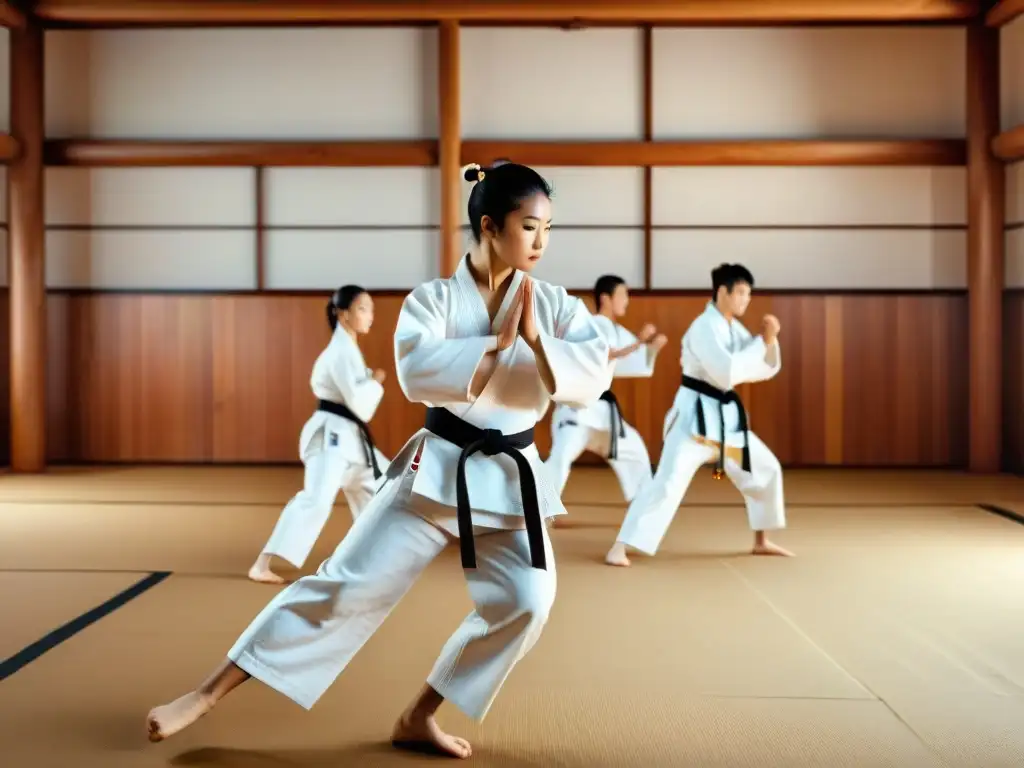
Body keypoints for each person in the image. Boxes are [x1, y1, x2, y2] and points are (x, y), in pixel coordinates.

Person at [145, 161, 613, 759]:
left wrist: (538, 340)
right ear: (490, 226)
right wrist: (497, 345)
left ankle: (419, 716)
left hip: (512, 475)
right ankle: (205, 694)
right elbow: (418, 374)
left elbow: (593, 375)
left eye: (549, 228)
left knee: (528, 602)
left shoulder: (555, 306)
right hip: (438, 467)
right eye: (530, 227)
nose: (543, 243)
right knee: (343, 589)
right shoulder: (433, 301)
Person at [604, 263, 792, 567]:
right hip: (694, 420)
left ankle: (761, 540)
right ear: (723, 292)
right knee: (666, 484)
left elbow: (762, 369)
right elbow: (727, 371)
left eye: (749, 293)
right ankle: (620, 547)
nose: (746, 299)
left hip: (726, 421)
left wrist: (769, 343)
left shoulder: (733, 328)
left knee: (765, 467)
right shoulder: (704, 327)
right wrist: (763, 341)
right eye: (742, 292)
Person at [248, 286, 390, 584]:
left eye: (371, 309)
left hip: (350, 438)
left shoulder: (348, 349)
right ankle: (262, 564)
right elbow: (360, 404)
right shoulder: (339, 352)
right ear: (343, 313)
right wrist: (375, 382)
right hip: (331, 438)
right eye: (363, 308)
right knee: (316, 500)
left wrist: (371, 381)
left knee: (382, 489)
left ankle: (365, 561)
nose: (370, 316)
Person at [545, 274, 667, 517]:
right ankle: (536, 509)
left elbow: (632, 362)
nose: (626, 301)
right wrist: (641, 342)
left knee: (634, 450)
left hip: (602, 414)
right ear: (606, 298)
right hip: (578, 410)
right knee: (560, 459)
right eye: (622, 295)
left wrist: (650, 349)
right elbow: (607, 354)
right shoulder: (592, 325)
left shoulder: (616, 329)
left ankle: (643, 505)